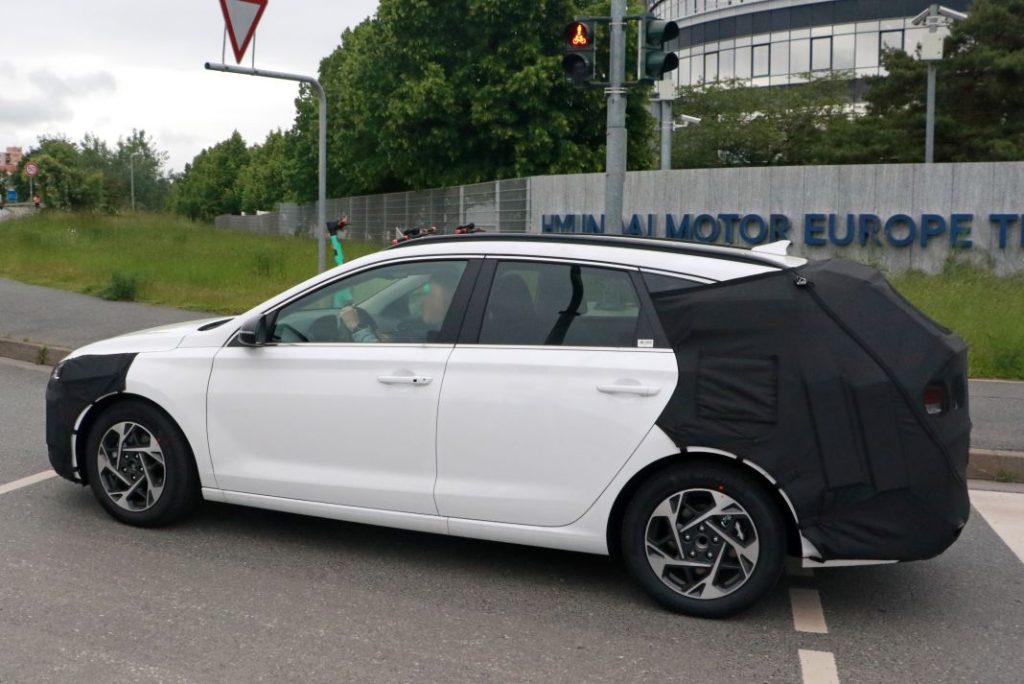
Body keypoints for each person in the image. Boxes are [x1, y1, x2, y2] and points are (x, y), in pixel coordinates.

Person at [338, 270, 458, 344]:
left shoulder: (449, 339)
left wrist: (356, 327)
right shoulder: (450, 331)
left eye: (432, 295)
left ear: (448, 302)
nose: (424, 301)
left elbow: (380, 358)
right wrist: (392, 341)